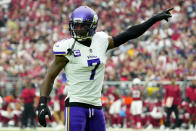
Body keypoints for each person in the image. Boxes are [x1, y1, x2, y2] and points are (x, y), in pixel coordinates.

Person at [37, 6, 173, 131]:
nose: (77, 29)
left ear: (91, 26)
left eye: (82, 26)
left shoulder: (101, 40)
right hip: (76, 105)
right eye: (75, 25)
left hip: (96, 106)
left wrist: (153, 19)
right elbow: (50, 76)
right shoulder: (67, 48)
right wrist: (42, 103)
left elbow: (130, 33)